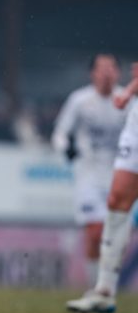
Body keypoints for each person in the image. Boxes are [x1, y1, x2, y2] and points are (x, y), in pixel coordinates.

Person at [67, 61, 138, 313]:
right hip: (134, 125)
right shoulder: (80, 100)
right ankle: (104, 291)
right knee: (117, 201)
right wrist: (131, 91)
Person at [52, 53, 125, 287]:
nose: (106, 73)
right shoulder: (79, 100)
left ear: (117, 73)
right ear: (92, 73)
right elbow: (60, 133)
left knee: (116, 237)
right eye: (101, 68)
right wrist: (66, 149)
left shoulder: (128, 101)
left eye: (110, 68)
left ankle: (106, 287)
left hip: (120, 174)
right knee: (95, 232)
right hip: (89, 174)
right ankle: (97, 287)